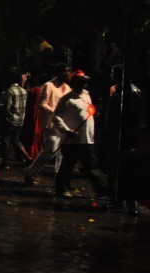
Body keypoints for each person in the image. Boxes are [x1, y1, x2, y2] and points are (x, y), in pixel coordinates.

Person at [51, 70, 107, 199]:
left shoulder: (87, 95)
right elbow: (56, 117)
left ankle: (103, 190)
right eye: (81, 82)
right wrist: (66, 130)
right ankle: (61, 188)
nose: (84, 85)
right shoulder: (66, 99)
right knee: (68, 165)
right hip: (73, 140)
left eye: (85, 82)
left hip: (87, 138)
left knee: (91, 165)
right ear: (75, 82)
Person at [103, 65, 145, 213]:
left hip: (124, 138)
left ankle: (124, 202)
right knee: (125, 170)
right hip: (127, 138)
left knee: (122, 170)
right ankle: (125, 201)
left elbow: (122, 118)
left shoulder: (125, 92)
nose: (111, 76)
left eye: (114, 73)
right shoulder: (129, 91)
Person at [23, 64, 72, 185]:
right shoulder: (48, 86)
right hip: (51, 123)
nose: (67, 74)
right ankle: (30, 171)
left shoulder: (67, 88)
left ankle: (59, 178)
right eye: (65, 71)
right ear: (58, 72)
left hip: (63, 124)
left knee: (61, 153)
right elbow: (42, 103)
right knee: (50, 150)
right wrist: (54, 112)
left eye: (68, 72)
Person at [0, 67, 31, 169]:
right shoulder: (24, 91)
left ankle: (5, 163)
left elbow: (7, 107)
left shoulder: (10, 91)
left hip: (10, 119)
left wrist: (5, 117)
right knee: (16, 140)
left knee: (5, 140)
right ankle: (28, 157)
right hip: (20, 120)